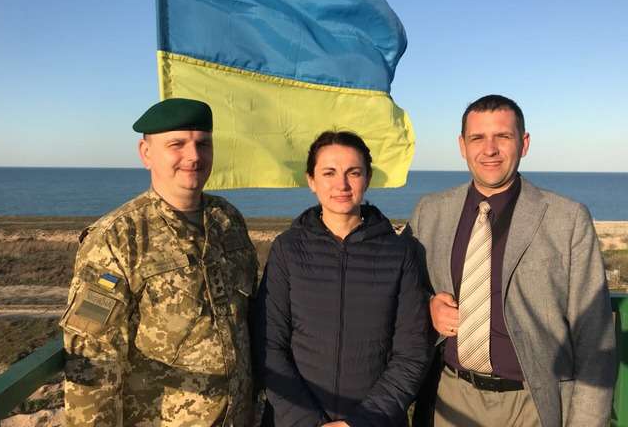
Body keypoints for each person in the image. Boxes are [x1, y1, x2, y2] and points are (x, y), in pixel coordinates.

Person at [406, 94, 616, 426]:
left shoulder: (567, 219)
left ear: (524, 143)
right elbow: (396, 289)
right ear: (462, 146)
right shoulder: (430, 212)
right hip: (450, 396)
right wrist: (427, 304)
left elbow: (594, 337)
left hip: (533, 404)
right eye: (477, 138)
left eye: (502, 136)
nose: (489, 149)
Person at [59, 98, 259, 426]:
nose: (193, 156)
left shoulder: (227, 220)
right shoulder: (118, 237)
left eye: (203, 144)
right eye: (176, 144)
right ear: (146, 153)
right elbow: (93, 355)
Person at [254, 130, 433, 427]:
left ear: (368, 178)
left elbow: (411, 353)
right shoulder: (287, 249)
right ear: (311, 180)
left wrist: (361, 422)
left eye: (354, 172)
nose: (342, 184)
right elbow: (269, 346)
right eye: (329, 173)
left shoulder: (400, 252)